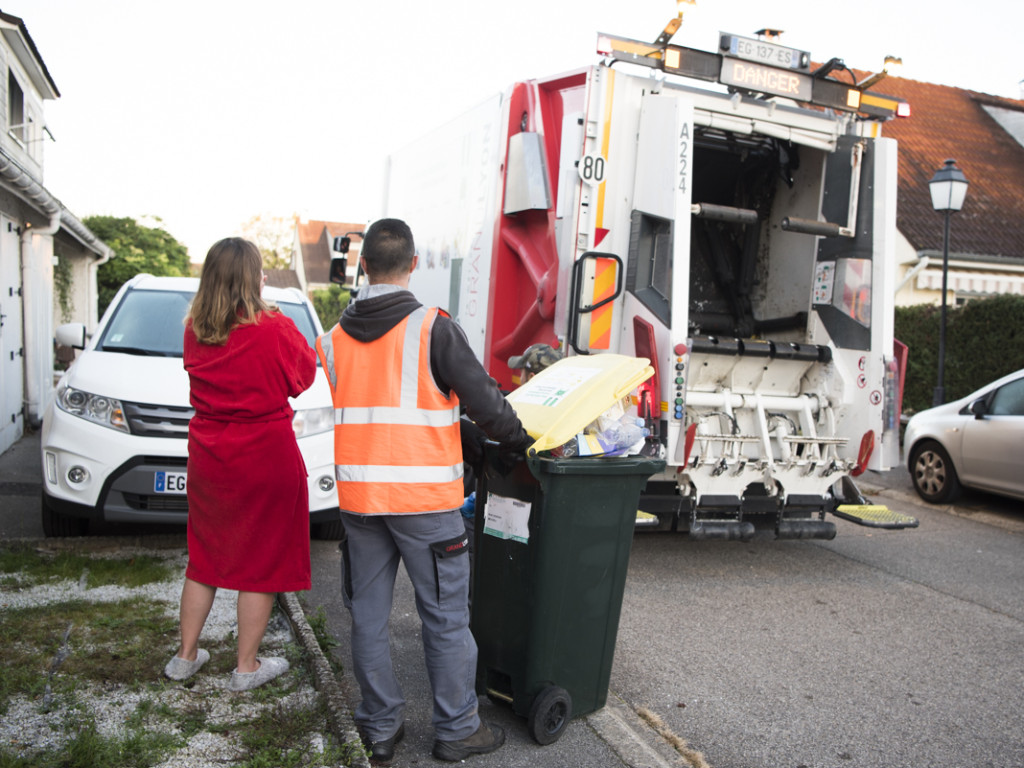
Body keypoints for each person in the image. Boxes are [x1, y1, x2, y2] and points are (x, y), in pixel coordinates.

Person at [315, 218, 532, 764]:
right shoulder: (432, 327)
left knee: (367, 617)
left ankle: (379, 726)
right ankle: (457, 728)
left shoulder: (333, 340)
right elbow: (483, 401)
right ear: (414, 265)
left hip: (362, 506)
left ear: (363, 266)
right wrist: (516, 439)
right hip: (426, 506)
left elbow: (381, 408)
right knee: (444, 619)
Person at [164, 237, 317, 692]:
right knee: (262, 561)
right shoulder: (273, 327)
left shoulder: (195, 329)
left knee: (204, 556)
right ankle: (246, 667)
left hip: (211, 455)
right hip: (266, 453)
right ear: (254, 278)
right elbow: (304, 374)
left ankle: (185, 657)